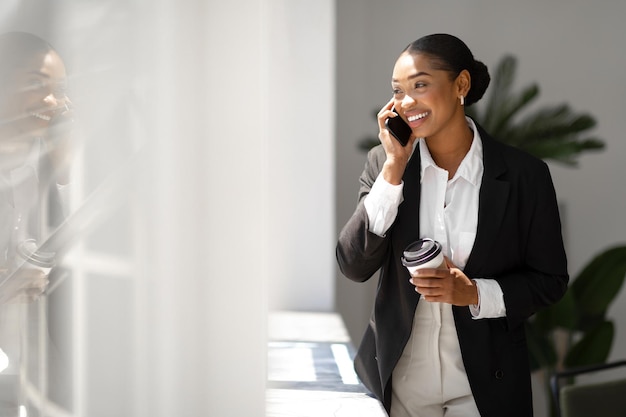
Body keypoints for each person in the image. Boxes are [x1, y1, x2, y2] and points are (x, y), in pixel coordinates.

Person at [336, 33, 568, 417]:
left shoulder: (525, 176)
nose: (406, 102)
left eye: (420, 85)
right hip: (400, 381)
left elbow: (550, 280)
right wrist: (394, 169)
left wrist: (474, 293)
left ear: (460, 85)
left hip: (483, 385)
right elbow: (353, 264)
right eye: (398, 90)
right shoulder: (384, 163)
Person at [0, 31, 75, 414]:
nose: (52, 100)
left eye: (59, 90)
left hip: (34, 377)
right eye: (35, 84)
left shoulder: (43, 167)